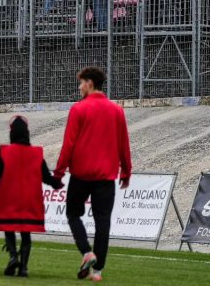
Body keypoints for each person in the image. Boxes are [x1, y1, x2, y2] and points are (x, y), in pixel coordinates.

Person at [54, 67, 132, 282]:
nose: (79, 88)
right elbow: (123, 144)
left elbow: (68, 144)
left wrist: (59, 172)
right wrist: (126, 171)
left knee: (72, 214)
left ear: (89, 83)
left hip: (81, 174)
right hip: (106, 176)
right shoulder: (117, 110)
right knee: (103, 221)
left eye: (81, 83)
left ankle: (86, 252)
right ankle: (98, 271)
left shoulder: (78, 110)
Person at [0, 116, 63, 278]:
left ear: (12, 133)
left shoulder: (5, 152)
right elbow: (47, 178)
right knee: (26, 233)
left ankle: (13, 256)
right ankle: (24, 268)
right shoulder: (37, 155)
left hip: (9, 198)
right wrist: (57, 183)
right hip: (30, 200)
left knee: (9, 228)